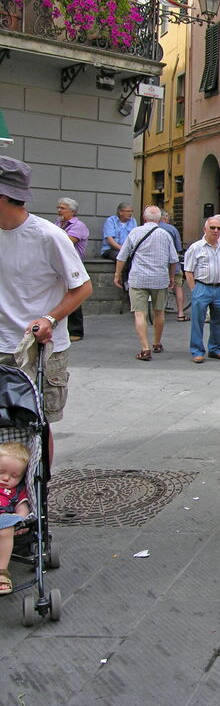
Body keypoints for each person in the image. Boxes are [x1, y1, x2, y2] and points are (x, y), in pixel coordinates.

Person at [0, 157, 93, 453]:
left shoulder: (49, 236)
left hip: (39, 349)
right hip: (1, 345)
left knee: (38, 426)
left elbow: (83, 287)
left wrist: (49, 319)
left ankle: (39, 483)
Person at [115, 206, 178, 361]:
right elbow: (173, 260)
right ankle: (157, 343)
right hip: (160, 278)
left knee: (139, 313)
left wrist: (117, 274)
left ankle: (145, 348)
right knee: (159, 312)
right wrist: (171, 277)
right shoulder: (165, 234)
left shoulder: (135, 232)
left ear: (144, 218)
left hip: (138, 278)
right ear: (160, 219)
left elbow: (122, 256)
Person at [183, 217, 220, 363]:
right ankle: (197, 351)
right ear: (205, 229)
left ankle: (216, 349)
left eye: (219, 228)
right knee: (198, 321)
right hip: (202, 286)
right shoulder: (196, 248)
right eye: (212, 227)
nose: (216, 231)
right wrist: (194, 289)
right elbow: (188, 270)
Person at [55, 197, 89, 341]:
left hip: (74, 266)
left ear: (73, 211)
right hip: (60, 264)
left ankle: (76, 331)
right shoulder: (58, 224)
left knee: (74, 294)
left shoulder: (78, 225)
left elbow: (66, 241)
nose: (59, 210)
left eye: (62, 208)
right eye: (58, 207)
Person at [0, 441, 30, 596]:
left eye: (14, 476)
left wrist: (21, 520)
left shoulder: (16, 491)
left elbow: (22, 509)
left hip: (3, 521)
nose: (6, 478)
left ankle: (2, 573)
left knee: (5, 527)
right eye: (1, 472)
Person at [158, 211, 187, 322]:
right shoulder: (171, 229)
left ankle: (158, 312)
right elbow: (178, 247)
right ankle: (180, 313)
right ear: (165, 217)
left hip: (157, 265)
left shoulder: (148, 229)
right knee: (178, 287)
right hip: (172, 264)